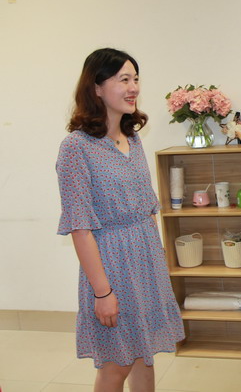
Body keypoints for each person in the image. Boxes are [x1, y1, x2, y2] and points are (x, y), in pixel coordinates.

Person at [56, 48, 185, 392]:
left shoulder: (132, 139)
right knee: (117, 366)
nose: (134, 87)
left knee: (145, 357)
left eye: (136, 79)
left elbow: (147, 208)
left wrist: (157, 262)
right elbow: (80, 228)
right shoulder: (76, 148)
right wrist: (103, 293)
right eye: (124, 79)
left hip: (145, 262)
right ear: (96, 87)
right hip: (112, 267)